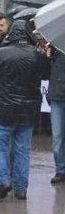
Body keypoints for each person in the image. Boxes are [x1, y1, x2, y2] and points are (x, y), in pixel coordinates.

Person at [0, 21, 50, 200]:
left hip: (3, 109)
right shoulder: (38, 55)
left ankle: (3, 179)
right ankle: (21, 189)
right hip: (28, 110)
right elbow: (46, 74)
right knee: (22, 150)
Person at [47, 45, 65, 185]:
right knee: (57, 137)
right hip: (57, 97)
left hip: (57, 96)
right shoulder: (56, 49)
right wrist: (47, 56)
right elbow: (45, 73)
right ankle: (60, 170)